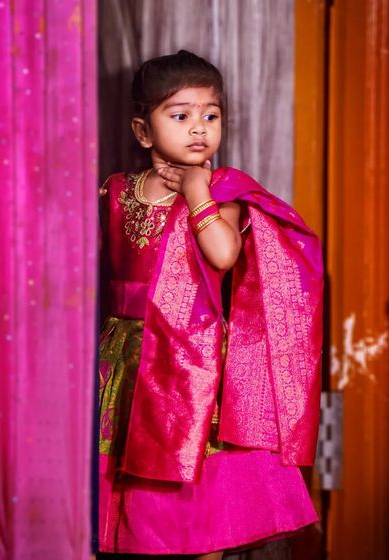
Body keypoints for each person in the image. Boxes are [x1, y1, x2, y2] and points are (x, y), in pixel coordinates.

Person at [98, 50, 323, 559]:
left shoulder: (222, 189)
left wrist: (197, 193)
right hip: (125, 362)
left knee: (200, 508)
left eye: (211, 115)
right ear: (143, 131)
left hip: (190, 365)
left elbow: (223, 254)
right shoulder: (115, 191)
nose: (199, 127)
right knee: (126, 499)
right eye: (180, 115)